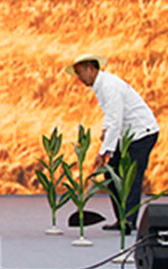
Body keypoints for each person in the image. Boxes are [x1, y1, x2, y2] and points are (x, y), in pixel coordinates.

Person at [65, 53, 160, 231]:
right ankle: (122, 219)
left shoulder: (109, 86)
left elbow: (116, 120)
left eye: (79, 73)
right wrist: (106, 132)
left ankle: (129, 221)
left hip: (141, 134)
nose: (78, 78)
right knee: (111, 174)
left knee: (131, 178)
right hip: (126, 135)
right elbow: (111, 118)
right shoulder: (101, 86)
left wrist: (104, 152)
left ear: (90, 68)